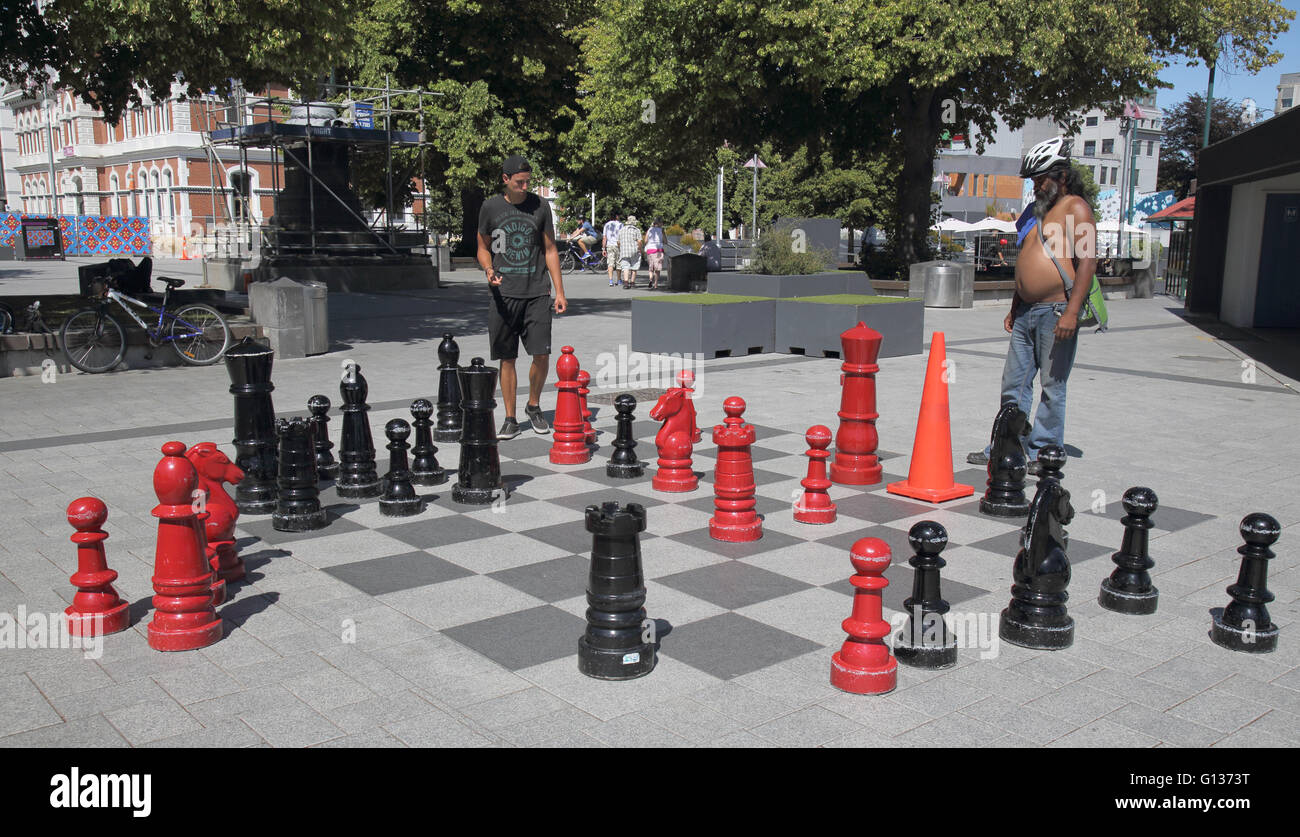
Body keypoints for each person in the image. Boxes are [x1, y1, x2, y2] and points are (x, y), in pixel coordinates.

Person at [967, 136, 1096, 473]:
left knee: (1052, 386)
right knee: (1014, 384)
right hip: (1025, 312)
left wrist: (1072, 312)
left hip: (1056, 311)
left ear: (1061, 175)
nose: (1036, 187)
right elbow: (1025, 261)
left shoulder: (1076, 208)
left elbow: (1087, 262)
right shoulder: (1033, 212)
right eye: (1034, 181)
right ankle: (1007, 444)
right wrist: (1014, 305)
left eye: (1041, 179)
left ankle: (1043, 452)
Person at [476, 154, 568, 440]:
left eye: (528, 181)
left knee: (541, 353)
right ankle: (510, 418)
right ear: (505, 180)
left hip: (537, 293)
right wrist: (489, 268)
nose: (525, 186)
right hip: (504, 295)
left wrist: (560, 291)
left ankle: (534, 405)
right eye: (520, 182)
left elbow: (550, 249)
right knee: (507, 358)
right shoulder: (490, 207)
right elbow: (482, 247)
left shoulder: (540, 207)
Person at [616, 214, 643, 289]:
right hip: (634, 250)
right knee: (634, 266)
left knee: (625, 267)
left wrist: (620, 248)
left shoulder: (621, 230)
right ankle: (632, 282)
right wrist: (640, 249)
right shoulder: (636, 230)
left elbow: (618, 242)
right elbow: (639, 241)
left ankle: (626, 283)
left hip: (624, 251)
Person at [643, 219, 666, 289]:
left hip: (650, 250)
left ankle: (650, 279)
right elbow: (665, 241)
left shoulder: (649, 230)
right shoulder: (661, 230)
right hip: (658, 250)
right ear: (660, 223)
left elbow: (645, 240)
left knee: (651, 267)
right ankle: (655, 283)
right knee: (657, 268)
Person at [602, 212, 623, 286]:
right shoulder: (620, 224)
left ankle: (611, 280)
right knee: (618, 263)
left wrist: (603, 248)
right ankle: (619, 280)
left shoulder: (607, 225)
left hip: (609, 245)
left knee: (610, 263)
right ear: (617, 216)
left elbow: (604, 237)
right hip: (618, 245)